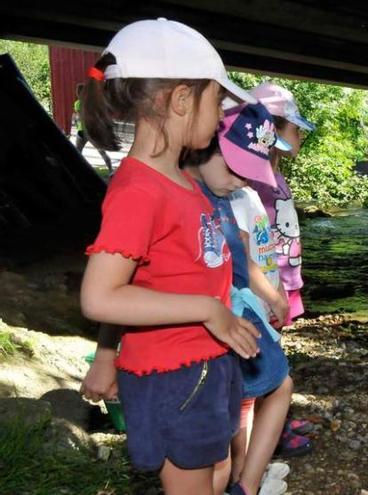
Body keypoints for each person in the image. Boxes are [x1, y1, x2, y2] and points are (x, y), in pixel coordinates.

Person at [77, 18, 261, 494]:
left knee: (216, 470)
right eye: (216, 100)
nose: (220, 115)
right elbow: (101, 296)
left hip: (203, 364)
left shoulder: (180, 180)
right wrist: (206, 310)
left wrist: (104, 353)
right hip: (175, 376)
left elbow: (142, 279)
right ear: (181, 99)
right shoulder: (139, 190)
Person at [182, 102, 306, 495]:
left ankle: (245, 484)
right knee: (215, 445)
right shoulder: (181, 196)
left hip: (236, 315)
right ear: (205, 144)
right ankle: (240, 483)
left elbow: (242, 253)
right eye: (235, 169)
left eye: (249, 173)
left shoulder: (218, 195)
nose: (241, 182)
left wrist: (274, 294)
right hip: (203, 330)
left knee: (274, 388)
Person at [246, 82, 315, 326]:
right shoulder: (253, 180)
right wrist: (272, 290)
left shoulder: (273, 175)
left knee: (272, 344)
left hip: (284, 278)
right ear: (272, 129)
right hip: (266, 284)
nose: (300, 136)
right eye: (296, 129)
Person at [73, 82, 114, 173]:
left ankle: (76, 170)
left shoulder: (77, 104)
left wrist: (76, 122)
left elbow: (78, 117)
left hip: (82, 131)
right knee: (101, 151)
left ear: (78, 93)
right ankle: (111, 170)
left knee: (77, 152)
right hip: (92, 130)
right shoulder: (91, 103)